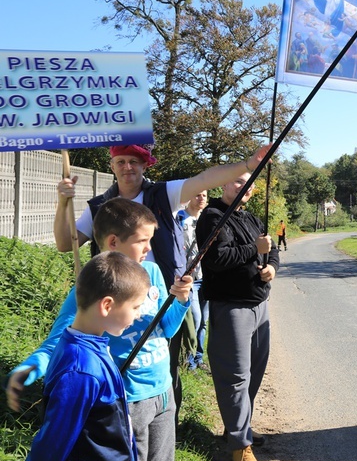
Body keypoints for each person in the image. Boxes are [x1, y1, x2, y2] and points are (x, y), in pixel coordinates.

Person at [53, 142, 270, 423]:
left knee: (164, 366)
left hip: (164, 298)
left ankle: (166, 425)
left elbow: (204, 179)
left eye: (134, 161)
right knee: (115, 365)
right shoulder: (99, 207)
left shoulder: (162, 194)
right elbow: (63, 242)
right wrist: (63, 202)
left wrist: (247, 166)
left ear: (145, 165)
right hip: (114, 305)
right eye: (121, 162)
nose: (127, 167)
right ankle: (116, 424)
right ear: (112, 167)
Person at [8, 199, 193, 461]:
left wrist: (180, 301)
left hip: (163, 388)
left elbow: (165, 328)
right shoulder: (92, 287)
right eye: (142, 240)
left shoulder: (152, 272)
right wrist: (31, 366)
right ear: (114, 242)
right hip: (131, 396)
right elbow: (61, 338)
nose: (148, 248)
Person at [21, 252, 147, 461]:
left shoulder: (93, 345)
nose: (139, 314)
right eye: (136, 307)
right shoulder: (81, 369)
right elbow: (53, 443)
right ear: (107, 305)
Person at [196, 173, 279, 461]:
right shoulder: (213, 216)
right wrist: (254, 250)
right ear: (224, 185)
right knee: (235, 378)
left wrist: (271, 266)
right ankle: (240, 447)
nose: (242, 187)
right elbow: (216, 258)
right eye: (236, 182)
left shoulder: (251, 218)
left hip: (260, 306)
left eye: (248, 184)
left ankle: (238, 428)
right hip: (231, 308)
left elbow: (271, 248)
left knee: (254, 372)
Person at [176, 190, 209, 371]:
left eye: (204, 195)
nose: (201, 198)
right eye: (197, 194)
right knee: (195, 319)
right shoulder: (179, 218)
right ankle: (188, 359)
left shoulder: (208, 218)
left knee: (203, 320)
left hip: (205, 276)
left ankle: (198, 358)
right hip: (189, 278)